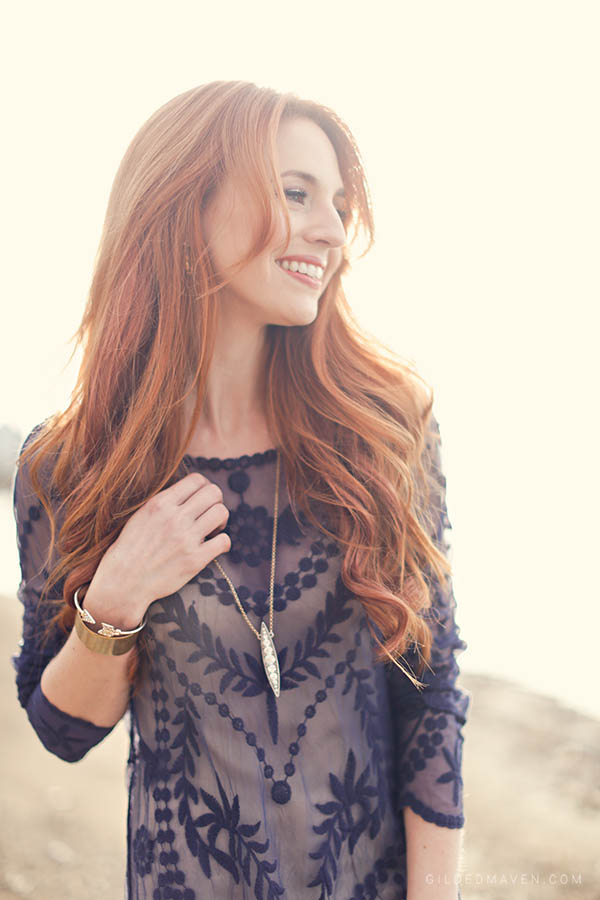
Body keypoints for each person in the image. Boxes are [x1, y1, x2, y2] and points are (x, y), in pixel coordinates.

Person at [12, 81, 470, 900]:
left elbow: (430, 693)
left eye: (337, 202)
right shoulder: (71, 463)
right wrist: (115, 597)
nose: (332, 231)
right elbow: (62, 730)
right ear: (186, 203)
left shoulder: (385, 426)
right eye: (297, 194)